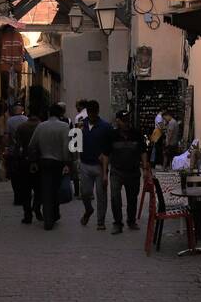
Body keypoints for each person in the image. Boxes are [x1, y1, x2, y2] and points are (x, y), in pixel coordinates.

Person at [105, 111, 151, 233]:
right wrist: (104, 172)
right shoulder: (112, 135)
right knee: (115, 197)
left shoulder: (136, 134)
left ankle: (131, 221)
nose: (126, 123)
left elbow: (143, 151)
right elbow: (106, 154)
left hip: (133, 171)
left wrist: (145, 169)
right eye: (123, 120)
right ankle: (117, 223)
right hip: (116, 171)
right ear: (117, 121)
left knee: (132, 198)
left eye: (128, 120)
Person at [28, 103, 71, 230]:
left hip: (44, 162)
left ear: (48, 114)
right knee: (55, 188)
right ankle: (54, 214)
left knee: (45, 189)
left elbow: (32, 145)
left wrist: (33, 161)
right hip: (58, 163)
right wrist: (67, 162)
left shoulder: (41, 126)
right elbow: (66, 147)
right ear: (61, 114)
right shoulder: (64, 127)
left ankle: (48, 216)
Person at [79, 100, 115, 230]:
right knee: (85, 192)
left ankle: (101, 221)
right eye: (90, 114)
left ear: (97, 112)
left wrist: (107, 158)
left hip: (100, 166)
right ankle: (88, 210)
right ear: (87, 113)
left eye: (94, 113)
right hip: (84, 163)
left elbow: (111, 146)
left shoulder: (106, 127)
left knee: (101, 195)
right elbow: (74, 144)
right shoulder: (81, 125)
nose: (92, 116)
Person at [14, 107, 43, 223]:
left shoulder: (21, 127)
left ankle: (27, 214)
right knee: (39, 189)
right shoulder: (42, 126)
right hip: (39, 161)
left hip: (25, 161)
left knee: (26, 190)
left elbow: (17, 145)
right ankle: (37, 207)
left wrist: (16, 159)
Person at [5, 103, 26, 204]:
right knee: (23, 175)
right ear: (21, 110)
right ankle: (24, 195)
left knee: (14, 175)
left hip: (14, 151)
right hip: (25, 151)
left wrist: (6, 148)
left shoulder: (9, 121)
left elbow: (7, 136)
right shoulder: (26, 119)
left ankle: (17, 196)